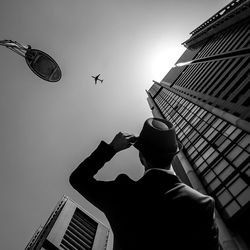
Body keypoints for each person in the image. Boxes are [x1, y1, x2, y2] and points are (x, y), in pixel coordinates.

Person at [69, 118, 220, 250]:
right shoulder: (202, 204)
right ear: (173, 156)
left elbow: (78, 179)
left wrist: (111, 148)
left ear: (142, 157)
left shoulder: (122, 194)